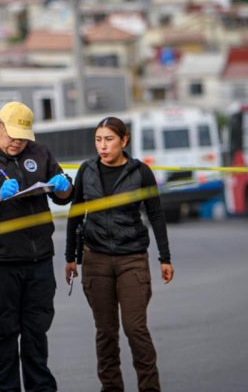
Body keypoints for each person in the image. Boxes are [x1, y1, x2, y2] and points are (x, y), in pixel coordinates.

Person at [0, 102, 73, 392]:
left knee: (36, 332)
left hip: (39, 259)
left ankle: (40, 388)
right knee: (4, 334)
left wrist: (63, 186)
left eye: (23, 136)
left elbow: (65, 194)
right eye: (13, 135)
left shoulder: (39, 153)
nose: (18, 142)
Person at [64, 116, 174, 392]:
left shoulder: (140, 172)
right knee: (106, 333)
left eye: (109, 139)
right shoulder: (86, 171)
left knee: (135, 328)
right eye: (98, 140)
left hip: (132, 258)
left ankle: (150, 388)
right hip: (95, 259)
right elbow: (75, 214)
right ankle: (111, 388)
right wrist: (70, 257)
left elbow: (156, 215)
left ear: (124, 141)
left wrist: (165, 258)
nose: (103, 146)